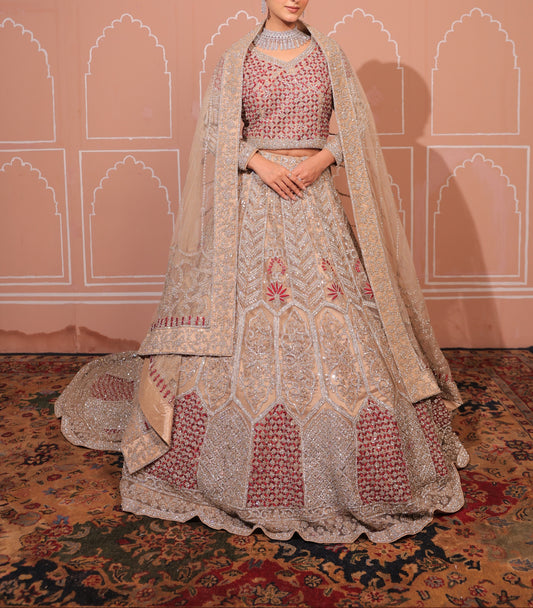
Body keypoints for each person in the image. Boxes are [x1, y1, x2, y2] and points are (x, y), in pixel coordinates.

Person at [56, 0, 469, 543]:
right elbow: (214, 133)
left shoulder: (329, 53)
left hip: (315, 202)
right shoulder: (237, 58)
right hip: (253, 205)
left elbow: (356, 131)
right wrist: (259, 162)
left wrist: (319, 160)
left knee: (342, 326)